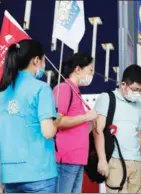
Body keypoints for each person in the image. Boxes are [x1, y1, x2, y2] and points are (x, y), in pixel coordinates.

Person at [0, 39, 63, 193]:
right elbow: (48, 132)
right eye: (43, 60)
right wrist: (57, 121)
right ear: (36, 61)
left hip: (9, 175)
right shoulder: (41, 89)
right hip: (39, 172)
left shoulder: (2, 94)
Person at [93, 64, 141, 193]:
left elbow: (138, 134)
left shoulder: (139, 106)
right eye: (135, 89)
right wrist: (102, 160)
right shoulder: (107, 98)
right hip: (115, 160)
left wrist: (139, 159)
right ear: (123, 84)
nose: (138, 93)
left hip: (136, 162)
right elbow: (97, 131)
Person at [51, 53, 98, 193]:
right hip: (66, 158)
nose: (92, 74)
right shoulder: (64, 89)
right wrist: (85, 117)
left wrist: (91, 122)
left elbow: (77, 126)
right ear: (78, 69)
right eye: (90, 70)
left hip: (77, 159)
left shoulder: (76, 92)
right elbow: (57, 121)